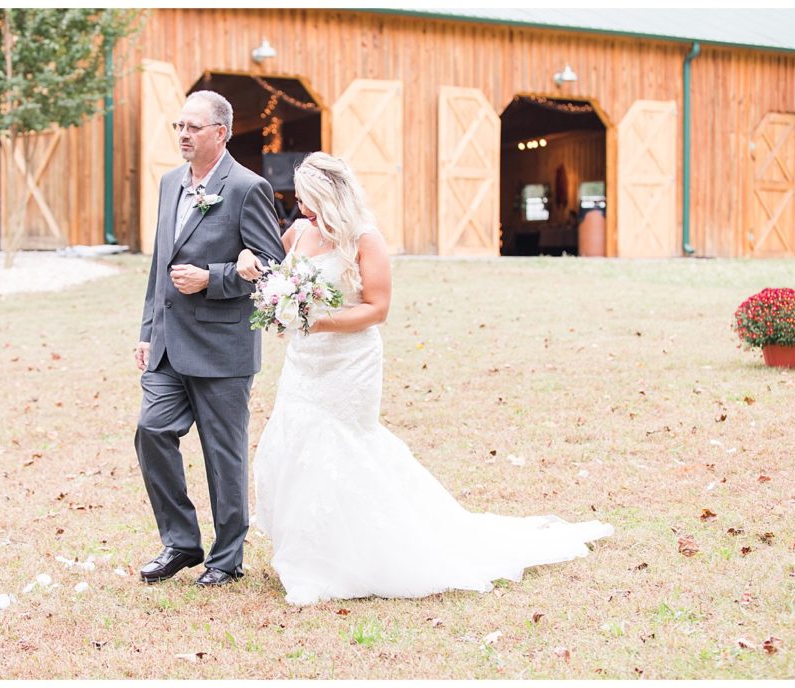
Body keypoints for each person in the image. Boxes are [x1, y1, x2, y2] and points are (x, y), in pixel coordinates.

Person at [237, 152, 613, 605]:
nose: (301, 207)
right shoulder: (297, 232)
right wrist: (254, 268)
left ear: (331, 195)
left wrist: (318, 320)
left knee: (342, 444)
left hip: (348, 361)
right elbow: (273, 273)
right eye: (299, 198)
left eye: (308, 198)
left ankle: (351, 558)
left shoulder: (364, 239)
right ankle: (308, 551)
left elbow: (377, 309)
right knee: (296, 442)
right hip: (304, 362)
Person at [135, 90, 285, 588]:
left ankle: (227, 557)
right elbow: (160, 262)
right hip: (167, 345)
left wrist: (213, 277)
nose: (182, 134)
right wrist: (146, 331)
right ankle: (180, 542)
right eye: (178, 126)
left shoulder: (247, 187)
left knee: (224, 455)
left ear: (220, 133)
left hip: (223, 347)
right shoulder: (168, 183)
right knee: (152, 431)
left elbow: (272, 267)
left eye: (192, 127)